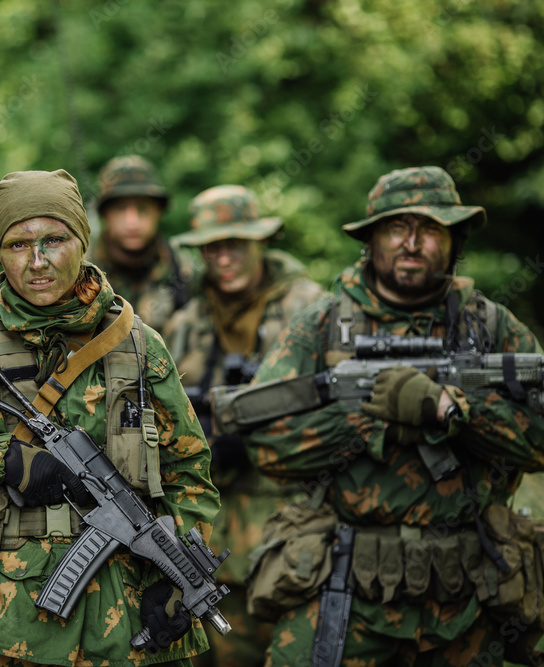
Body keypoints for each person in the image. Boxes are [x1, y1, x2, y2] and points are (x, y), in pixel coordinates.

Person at [0, 168, 221, 666]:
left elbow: (191, 477)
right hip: (1, 629)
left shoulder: (139, 346)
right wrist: (1, 461)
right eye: (17, 244)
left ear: (83, 241)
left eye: (55, 239)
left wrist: (178, 577)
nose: (38, 261)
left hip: (130, 629)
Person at [241, 166, 544, 666]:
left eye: (429, 230)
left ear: (454, 240)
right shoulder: (322, 324)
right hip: (344, 586)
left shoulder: (492, 327)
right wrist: (372, 421)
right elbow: (267, 444)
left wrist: (454, 411)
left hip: (467, 599)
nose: (412, 243)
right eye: (397, 228)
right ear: (372, 239)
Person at [164, 185, 326, 667]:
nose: (224, 258)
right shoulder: (185, 322)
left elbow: (345, 411)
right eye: (212, 247)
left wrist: (265, 437)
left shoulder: (312, 311)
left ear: (259, 242)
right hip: (213, 542)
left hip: (300, 533)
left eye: (235, 244)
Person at [87, 155, 197, 336]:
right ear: (104, 214)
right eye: (121, 209)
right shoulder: (79, 270)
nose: (133, 222)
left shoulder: (184, 269)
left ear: (159, 212)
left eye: (143, 208)